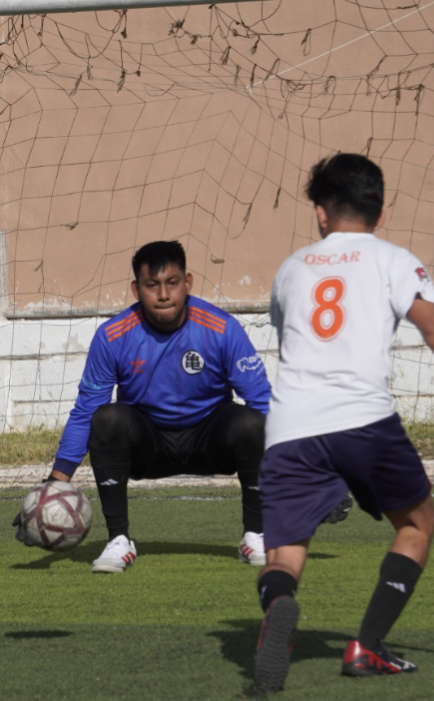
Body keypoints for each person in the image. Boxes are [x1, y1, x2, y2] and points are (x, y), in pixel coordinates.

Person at [251, 153, 434, 694]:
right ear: (381, 213)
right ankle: (367, 646)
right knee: (417, 525)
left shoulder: (292, 267)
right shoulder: (394, 260)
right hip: (364, 420)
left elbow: (292, 336)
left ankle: (279, 603)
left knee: (286, 549)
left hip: (291, 425)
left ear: (321, 213)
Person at [46, 240, 272, 573]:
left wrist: (303, 470)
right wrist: (55, 482)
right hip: (148, 448)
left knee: (251, 422)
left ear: (188, 283)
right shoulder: (112, 336)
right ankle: (119, 541)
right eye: (153, 285)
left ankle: (256, 533)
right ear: (137, 289)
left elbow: (263, 402)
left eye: (172, 283)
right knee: (106, 418)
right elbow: (84, 411)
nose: (164, 294)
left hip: (211, 443)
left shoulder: (223, 329)